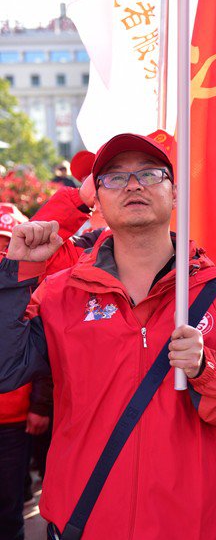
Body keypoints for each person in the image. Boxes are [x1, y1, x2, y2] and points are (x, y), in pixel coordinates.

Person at [0, 130, 216, 539]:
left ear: (175, 193)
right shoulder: (60, 293)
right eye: (114, 177)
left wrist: (205, 369)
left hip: (193, 525)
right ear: (97, 199)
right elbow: (5, 369)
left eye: (149, 173)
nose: (132, 185)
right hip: (87, 522)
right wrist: (16, 274)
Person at [0, 203, 52, 540]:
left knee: (9, 507)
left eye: (6, 241)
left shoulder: (31, 285)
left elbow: (44, 352)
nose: (3, 250)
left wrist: (39, 406)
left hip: (14, 421)